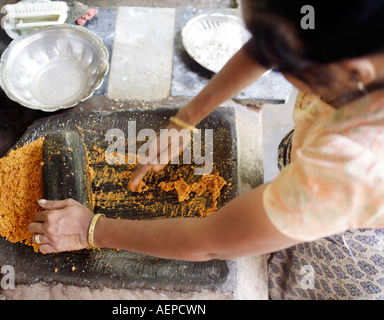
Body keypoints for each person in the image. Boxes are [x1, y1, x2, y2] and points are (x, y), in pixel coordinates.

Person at [28, 0, 384, 299]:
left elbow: (211, 241)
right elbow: (278, 39)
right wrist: (186, 119)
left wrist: (90, 229)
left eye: (285, 63)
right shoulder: (351, 38)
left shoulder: (353, 162)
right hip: (316, 168)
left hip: (349, 252)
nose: (269, 57)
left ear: (351, 73)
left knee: (298, 281)